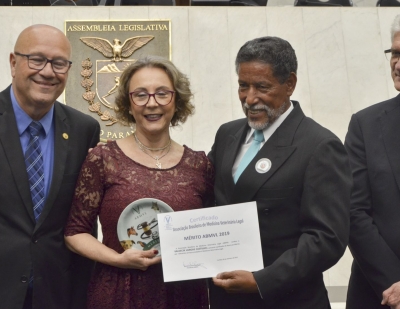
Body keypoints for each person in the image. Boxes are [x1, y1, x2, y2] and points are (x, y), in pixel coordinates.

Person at [208, 36, 352, 309]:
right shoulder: (227, 134)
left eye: (262, 87)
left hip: (287, 299)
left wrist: (262, 280)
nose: (250, 98)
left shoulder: (319, 146)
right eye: (242, 86)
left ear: (290, 84)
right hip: (225, 298)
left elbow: (326, 239)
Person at [64, 56, 214, 309]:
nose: (152, 103)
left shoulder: (200, 165)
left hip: (183, 295)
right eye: (141, 95)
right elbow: (74, 232)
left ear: (176, 100)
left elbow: (210, 231)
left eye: (162, 93)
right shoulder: (102, 159)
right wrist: (117, 259)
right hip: (118, 292)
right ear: (128, 104)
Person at [0, 24, 100, 309]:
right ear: (13, 62)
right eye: (36, 59)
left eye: (59, 63)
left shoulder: (84, 130)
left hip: (59, 294)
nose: (47, 71)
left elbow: (83, 220)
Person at [345, 14, 400, 309]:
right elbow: (353, 210)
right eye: (396, 53)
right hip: (377, 293)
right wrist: (394, 283)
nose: (398, 64)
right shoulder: (365, 125)